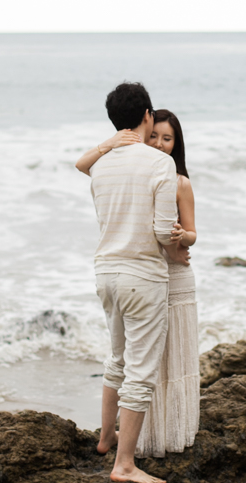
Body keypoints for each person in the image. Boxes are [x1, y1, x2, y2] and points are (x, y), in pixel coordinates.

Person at [76, 108, 199, 459]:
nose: (160, 144)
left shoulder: (179, 181)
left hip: (170, 275)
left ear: (177, 144)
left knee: (167, 360)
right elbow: (84, 165)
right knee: (141, 364)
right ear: (143, 132)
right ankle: (128, 444)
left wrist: (181, 239)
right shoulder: (138, 167)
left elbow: (191, 233)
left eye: (168, 138)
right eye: (154, 136)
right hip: (147, 273)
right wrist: (110, 143)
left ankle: (164, 433)